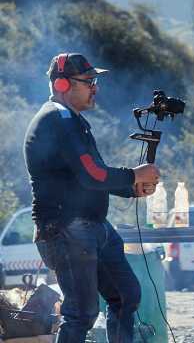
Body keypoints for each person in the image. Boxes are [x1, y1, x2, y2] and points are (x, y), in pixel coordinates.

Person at [23, 52, 161, 343]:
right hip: (66, 228)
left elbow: (92, 176)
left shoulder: (73, 121)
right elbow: (93, 175)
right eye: (88, 81)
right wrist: (134, 176)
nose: (95, 87)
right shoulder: (58, 120)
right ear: (62, 84)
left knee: (125, 295)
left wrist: (130, 188)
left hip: (91, 226)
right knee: (81, 313)